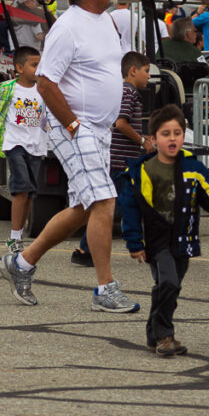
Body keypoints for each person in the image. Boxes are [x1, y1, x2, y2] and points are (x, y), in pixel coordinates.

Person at [0, 0, 140, 313]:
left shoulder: (105, 20)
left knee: (82, 206)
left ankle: (22, 263)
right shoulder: (68, 26)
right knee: (105, 200)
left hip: (98, 128)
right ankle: (105, 288)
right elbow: (45, 83)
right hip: (75, 126)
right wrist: (74, 125)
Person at [119, 105, 209, 356]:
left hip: (183, 240)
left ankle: (152, 333)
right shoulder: (142, 171)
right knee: (167, 282)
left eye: (177, 133)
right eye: (166, 134)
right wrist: (135, 242)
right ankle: (165, 336)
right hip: (156, 241)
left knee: (171, 287)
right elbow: (130, 208)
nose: (173, 138)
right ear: (154, 139)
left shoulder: (193, 169)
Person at [71, 51, 154, 267]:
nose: (149, 77)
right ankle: (85, 249)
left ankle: (86, 249)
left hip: (120, 159)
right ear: (133, 71)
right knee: (111, 208)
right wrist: (143, 140)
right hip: (119, 160)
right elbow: (121, 124)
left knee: (115, 206)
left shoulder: (125, 92)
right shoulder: (129, 93)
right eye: (146, 71)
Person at [0, 46, 46, 254]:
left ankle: (19, 234)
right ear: (19, 68)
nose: (38, 69)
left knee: (31, 192)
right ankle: (14, 237)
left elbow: (49, 115)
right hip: (15, 145)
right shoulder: (9, 88)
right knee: (21, 188)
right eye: (34, 65)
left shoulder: (43, 89)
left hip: (36, 146)